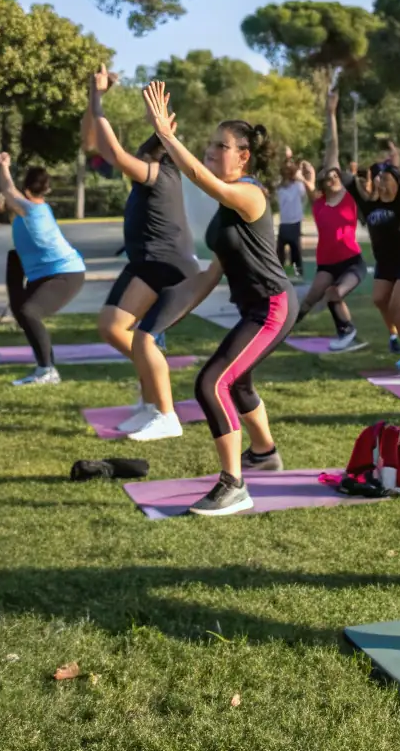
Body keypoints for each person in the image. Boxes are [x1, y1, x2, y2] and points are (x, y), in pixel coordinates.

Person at [137, 81, 297, 515]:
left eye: (220, 145)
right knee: (237, 380)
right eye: (209, 143)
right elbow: (212, 273)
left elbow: (204, 180)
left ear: (243, 156)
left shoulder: (248, 193)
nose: (211, 150)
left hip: (273, 307)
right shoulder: (227, 211)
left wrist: (168, 138)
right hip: (257, 307)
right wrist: (167, 315)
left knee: (212, 382)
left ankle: (233, 485)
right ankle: (264, 453)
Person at [83, 66, 200, 442]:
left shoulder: (159, 172)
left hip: (166, 266)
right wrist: (92, 98)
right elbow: (95, 146)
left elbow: (112, 152)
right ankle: (152, 405)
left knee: (131, 334)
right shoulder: (152, 171)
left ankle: (166, 413)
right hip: (147, 262)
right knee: (111, 327)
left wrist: (100, 98)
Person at [0, 154, 86, 386]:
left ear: (25, 190)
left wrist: (3, 166)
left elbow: (7, 189)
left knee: (29, 311)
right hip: (42, 273)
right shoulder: (32, 210)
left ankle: (47, 371)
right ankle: (45, 366)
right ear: (48, 189)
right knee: (21, 308)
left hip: (65, 273)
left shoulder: (32, 210)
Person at [345, 135, 400, 373]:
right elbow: (352, 182)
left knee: (399, 306)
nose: (381, 179)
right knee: (380, 299)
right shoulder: (369, 206)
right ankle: (395, 336)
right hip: (386, 261)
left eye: (387, 176)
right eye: (379, 176)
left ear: (396, 181)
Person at [290, 90, 368, 352]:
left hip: (351, 263)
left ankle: (347, 332)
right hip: (326, 264)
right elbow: (312, 183)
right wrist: (305, 178)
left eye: (336, 173)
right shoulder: (319, 202)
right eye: (329, 176)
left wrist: (331, 113)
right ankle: (284, 329)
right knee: (309, 300)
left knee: (335, 293)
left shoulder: (348, 197)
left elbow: (332, 147)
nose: (334, 176)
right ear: (324, 183)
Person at [275, 158, 307, 280]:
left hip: (295, 221)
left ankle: (298, 272)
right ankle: (279, 274)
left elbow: (304, 195)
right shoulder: (279, 187)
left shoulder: (298, 186)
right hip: (284, 222)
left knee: (295, 249)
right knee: (280, 250)